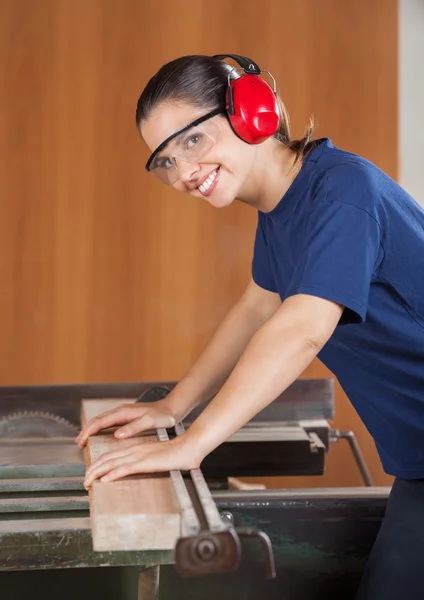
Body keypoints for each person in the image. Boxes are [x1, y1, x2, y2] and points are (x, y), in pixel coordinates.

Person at [75, 54, 424, 599]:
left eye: (192, 140)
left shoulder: (342, 193)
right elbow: (256, 307)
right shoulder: (281, 212)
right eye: (164, 160)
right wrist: (174, 406)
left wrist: (194, 444)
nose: (183, 171)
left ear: (253, 111)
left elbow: (302, 327)